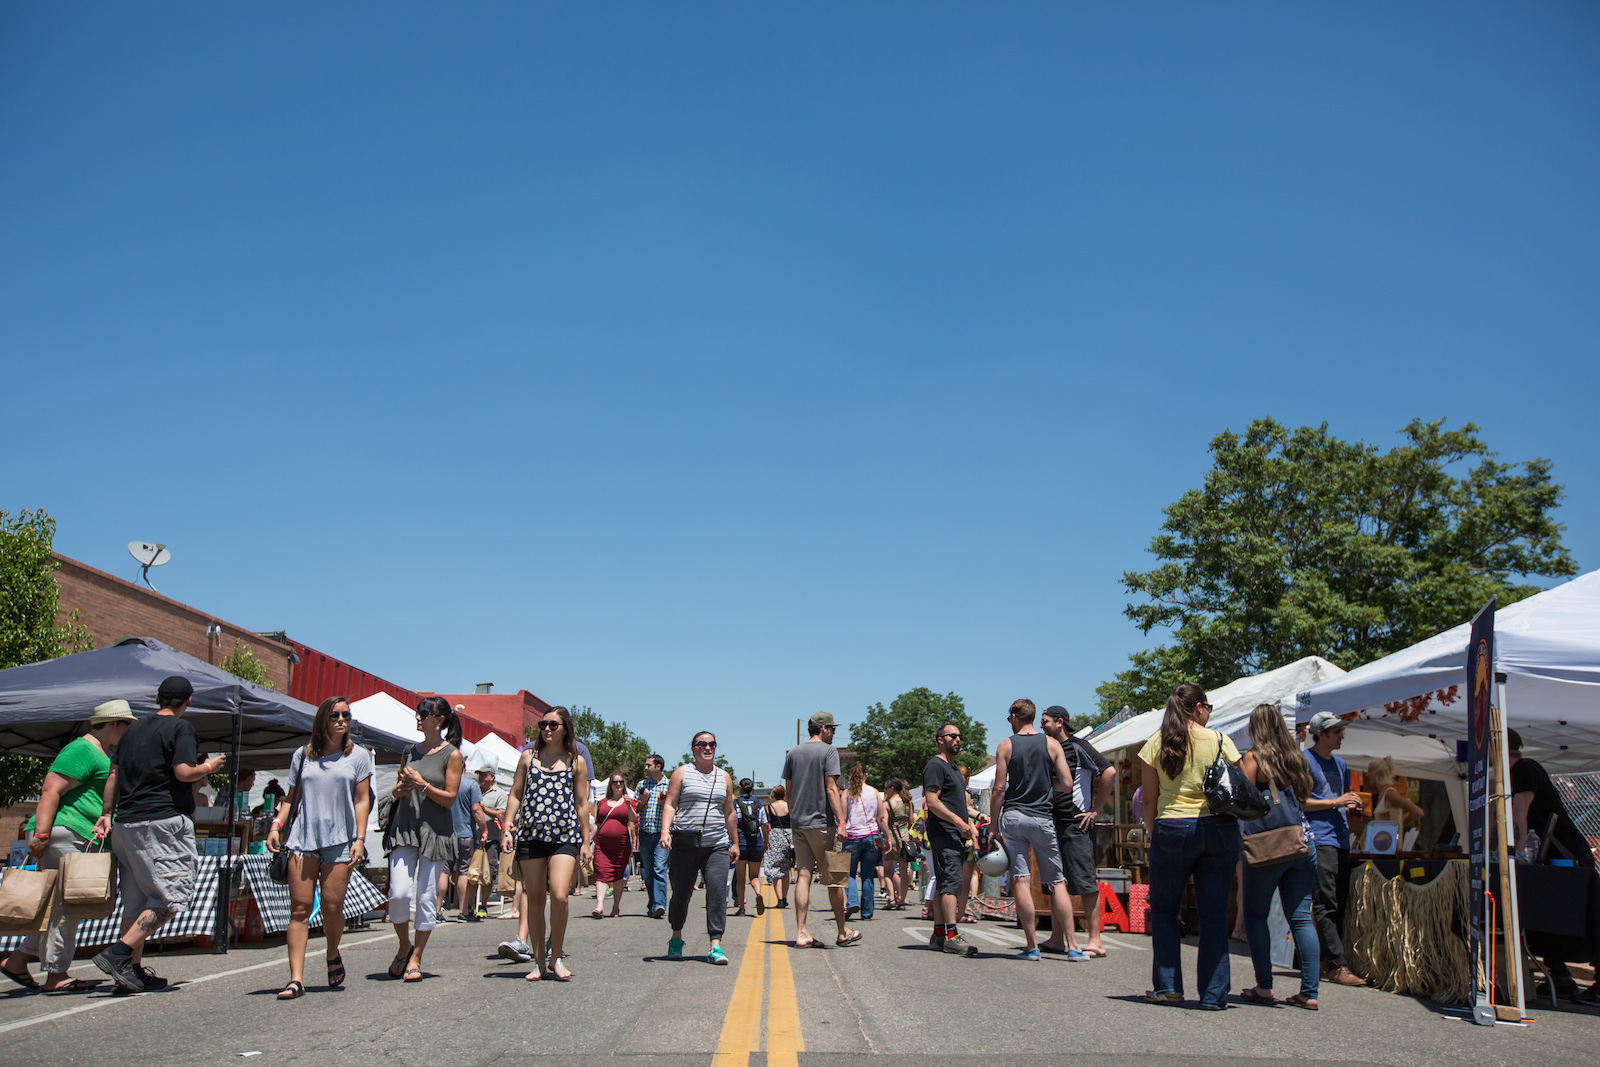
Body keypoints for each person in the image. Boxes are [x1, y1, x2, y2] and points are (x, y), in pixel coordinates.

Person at [91, 676, 225, 994]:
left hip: (126, 822)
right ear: (188, 701)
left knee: (136, 902)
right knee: (171, 896)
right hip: (163, 822)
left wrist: (106, 813)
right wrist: (209, 766)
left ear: (157, 698)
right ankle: (119, 954)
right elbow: (183, 771)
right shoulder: (181, 729)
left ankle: (131, 972)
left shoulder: (131, 730)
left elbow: (113, 774)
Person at [1, 700, 133, 993]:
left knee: (59, 905)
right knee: (68, 906)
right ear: (113, 724)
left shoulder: (101, 751)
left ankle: (18, 961)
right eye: (127, 725)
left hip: (78, 835)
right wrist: (42, 834)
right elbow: (51, 788)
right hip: (69, 832)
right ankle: (57, 976)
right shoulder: (81, 749)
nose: (129, 732)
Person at [1137, 683, 1241, 1009]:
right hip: (1219, 827)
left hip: (1171, 827)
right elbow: (1237, 783)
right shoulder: (1221, 740)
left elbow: (1150, 800)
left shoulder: (1156, 743)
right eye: (1208, 707)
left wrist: (1154, 835)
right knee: (1213, 914)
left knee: (1166, 910)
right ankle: (1213, 995)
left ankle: (1168, 987)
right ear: (1198, 708)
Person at [264, 696, 373, 1000]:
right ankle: (295, 979)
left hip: (340, 840)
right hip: (303, 838)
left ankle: (332, 951)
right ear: (323, 719)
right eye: (335, 715)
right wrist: (276, 826)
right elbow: (291, 798)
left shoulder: (358, 756)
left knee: (332, 907)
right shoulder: (303, 755)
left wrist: (360, 839)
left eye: (346, 715)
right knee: (299, 909)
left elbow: (362, 799)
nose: (341, 720)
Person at [1236, 703, 1321, 1010]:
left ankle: (1264, 986)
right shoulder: (1297, 758)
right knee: (1300, 918)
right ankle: (1309, 991)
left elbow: (1242, 797)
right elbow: (1304, 798)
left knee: (1256, 915)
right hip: (1303, 842)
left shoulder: (1253, 758)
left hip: (1269, 846)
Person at [1508, 727, 1600, 1002]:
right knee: (1547, 915)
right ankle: (1560, 978)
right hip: (1553, 854)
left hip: (1567, 854)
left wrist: (1519, 852)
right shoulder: (1517, 772)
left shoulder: (1524, 768)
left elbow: (1519, 814)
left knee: (1587, 916)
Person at [499, 705, 590, 981]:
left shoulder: (576, 761)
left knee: (560, 895)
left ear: (565, 729)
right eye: (543, 725)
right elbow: (515, 793)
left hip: (565, 836)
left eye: (553, 725)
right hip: (531, 835)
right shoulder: (528, 757)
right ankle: (539, 962)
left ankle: (556, 956)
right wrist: (507, 827)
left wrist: (586, 841)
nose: (547, 729)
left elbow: (582, 803)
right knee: (536, 899)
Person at [988, 698, 1077, 961]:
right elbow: (1067, 784)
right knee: (1057, 882)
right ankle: (1072, 946)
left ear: (1015, 716)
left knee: (1022, 880)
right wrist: (1045, 788)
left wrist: (994, 825)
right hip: (1042, 817)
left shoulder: (1005, 746)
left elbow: (999, 789)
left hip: (1014, 817)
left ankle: (1032, 946)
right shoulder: (1052, 744)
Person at [382, 696, 464, 982]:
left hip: (435, 832)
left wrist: (422, 784)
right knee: (399, 894)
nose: (417, 717)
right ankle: (405, 945)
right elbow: (397, 789)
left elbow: (450, 799)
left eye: (423, 713)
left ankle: (416, 956)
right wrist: (400, 790)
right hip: (405, 827)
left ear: (439, 720)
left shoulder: (452, 754)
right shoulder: (409, 751)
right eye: (417, 713)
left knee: (426, 897)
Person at [1039, 704, 1115, 958]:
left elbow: (1109, 771)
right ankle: (1057, 938)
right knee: (1055, 880)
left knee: (1084, 879)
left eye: (1046, 721)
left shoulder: (1079, 746)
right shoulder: (1049, 749)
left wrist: (1096, 809)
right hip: (1052, 822)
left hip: (1076, 822)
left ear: (1060, 722)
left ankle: (1095, 940)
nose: (1042, 725)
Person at [781, 712, 860, 949]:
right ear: (823, 729)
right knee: (835, 879)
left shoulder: (793, 753)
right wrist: (842, 822)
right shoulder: (829, 751)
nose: (834, 734)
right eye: (833, 730)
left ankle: (802, 932)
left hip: (800, 824)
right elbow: (831, 789)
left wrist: (796, 816)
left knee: (803, 875)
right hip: (824, 823)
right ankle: (842, 931)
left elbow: (788, 792)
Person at [660, 731, 739, 963]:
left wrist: (734, 842)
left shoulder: (724, 777)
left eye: (711, 744)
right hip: (685, 844)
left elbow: (729, 811)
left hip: (716, 845)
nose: (707, 747)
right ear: (693, 749)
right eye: (702, 744)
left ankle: (715, 945)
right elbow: (670, 804)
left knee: (716, 894)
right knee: (681, 895)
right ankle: (676, 936)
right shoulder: (682, 773)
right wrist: (666, 831)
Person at [1302, 711, 1367, 988]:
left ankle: (1324, 961)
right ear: (1320, 734)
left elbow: (1338, 800)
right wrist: (1336, 802)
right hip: (1318, 838)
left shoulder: (1341, 764)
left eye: (1342, 730)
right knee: (1325, 903)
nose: (1342, 735)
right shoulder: (1305, 760)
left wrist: (1352, 807)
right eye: (1336, 731)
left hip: (1340, 838)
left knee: (1339, 903)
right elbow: (1300, 802)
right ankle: (1336, 964)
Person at [923, 722, 978, 955]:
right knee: (951, 884)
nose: (957, 739)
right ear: (940, 740)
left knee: (945, 881)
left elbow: (959, 805)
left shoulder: (954, 768)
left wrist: (978, 815)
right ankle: (951, 936)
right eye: (952, 736)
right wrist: (958, 822)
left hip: (954, 831)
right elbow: (932, 802)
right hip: (944, 832)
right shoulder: (936, 765)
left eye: (959, 736)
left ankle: (938, 935)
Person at [842, 764, 889, 921]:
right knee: (868, 876)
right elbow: (881, 818)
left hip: (852, 837)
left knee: (849, 873)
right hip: (871, 836)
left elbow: (843, 818)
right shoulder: (874, 792)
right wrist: (887, 838)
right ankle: (867, 912)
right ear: (865, 774)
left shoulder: (847, 794)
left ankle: (852, 902)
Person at [441, 766, 485, 921]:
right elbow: (476, 810)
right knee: (463, 872)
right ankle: (463, 911)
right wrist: (484, 829)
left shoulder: (443, 784)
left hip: (445, 833)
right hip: (465, 833)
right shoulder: (470, 784)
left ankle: (437, 910)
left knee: (444, 871)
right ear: (464, 768)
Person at [592, 774, 637, 918]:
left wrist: (629, 805)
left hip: (621, 845)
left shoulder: (629, 801)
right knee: (602, 873)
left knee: (618, 875)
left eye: (621, 782)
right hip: (602, 845)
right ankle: (599, 906)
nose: (618, 784)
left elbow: (633, 819)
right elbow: (597, 823)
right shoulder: (603, 802)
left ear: (624, 784)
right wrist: (588, 841)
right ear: (610, 784)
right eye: (615, 782)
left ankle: (616, 907)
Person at [634, 754, 671, 920]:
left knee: (659, 868)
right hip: (645, 832)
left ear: (658, 767)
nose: (645, 768)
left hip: (661, 833)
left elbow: (676, 808)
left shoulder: (669, 785)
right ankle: (653, 902)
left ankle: (660, 904)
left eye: (649, 765)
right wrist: (642, 800)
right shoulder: (642, 785)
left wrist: (665, 804)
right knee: (648, 871)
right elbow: (635, 809)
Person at [473, 766, 508, 918]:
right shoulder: (474, 790)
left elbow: (502, 814)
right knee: (470, 872)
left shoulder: (499, 793)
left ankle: (483, 904)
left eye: (483, 775)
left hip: (491, 839)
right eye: (479, 775)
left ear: (492, 776)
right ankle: (468, 905)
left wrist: (484, 809)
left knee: (488, 873)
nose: (480, 778)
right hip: (473, 837)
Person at [732, 778, 768, 917]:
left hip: (741, 843)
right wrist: (765, 842)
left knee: (740, 877)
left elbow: (732, 823)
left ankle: (741, 907)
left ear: (740, 788)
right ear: (752, 788)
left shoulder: (735, 804)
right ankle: (758, 893)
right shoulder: (759, 803)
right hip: (756, 842)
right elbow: (765, 824)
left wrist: (732, 842)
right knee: (754, 876)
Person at [880, 779, 914, 911]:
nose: (885, 791)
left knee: (887, 871)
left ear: (892, 788)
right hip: (905, 838)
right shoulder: (907, 803)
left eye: (886, 788)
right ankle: (902, 900)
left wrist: (887, 839)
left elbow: (884, 822)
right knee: (903, 871)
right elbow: (911, 822)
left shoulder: (887, 804)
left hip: (892, 838)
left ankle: (892, 898)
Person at [1366, 757, 1425, 830]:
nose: (1367, 775)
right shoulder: (1383, 793)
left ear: (1380, 773)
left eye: (1370, 771)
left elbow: (1417, 812)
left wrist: (1395, 826)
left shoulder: (1389, 793)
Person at [761, 785, 793, 908]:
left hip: (775, 836)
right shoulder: (789, 806)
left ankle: (779, 899)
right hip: (788, 836)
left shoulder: (769, 808)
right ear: (784, 794)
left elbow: (765, 824)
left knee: (776, 870)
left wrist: (766, 841)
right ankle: (785, 897)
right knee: (786, 870)